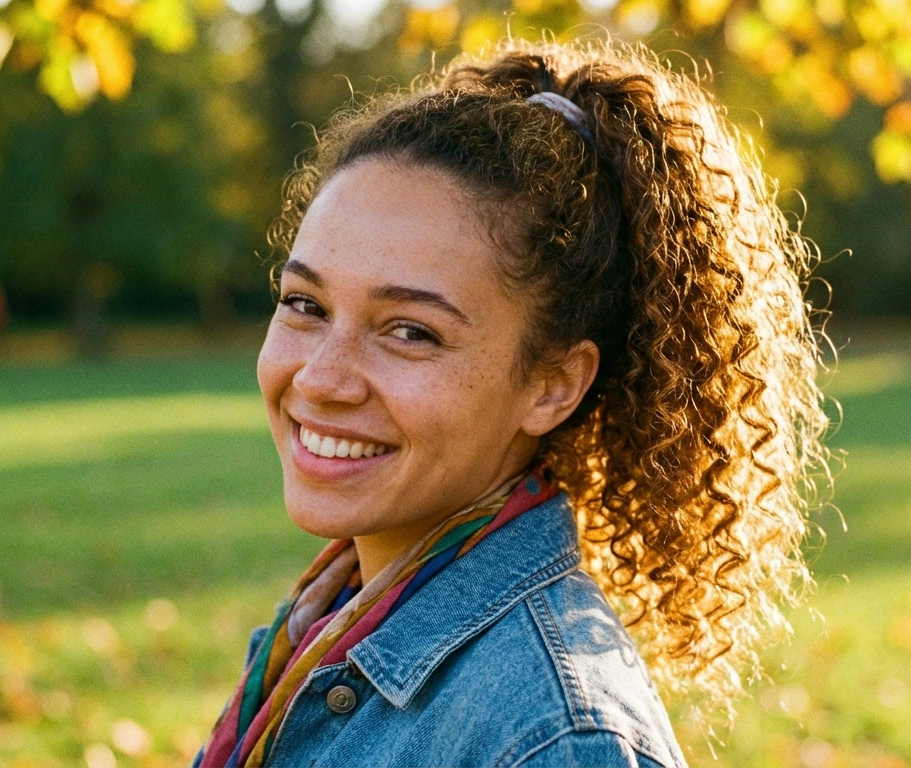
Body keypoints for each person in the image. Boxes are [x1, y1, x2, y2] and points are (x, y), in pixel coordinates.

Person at [195, 36, 830, 768]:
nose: (320, 379)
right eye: (305, 304)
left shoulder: (559, 739)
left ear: (552, 385)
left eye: (410, 331)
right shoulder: (328, 625)